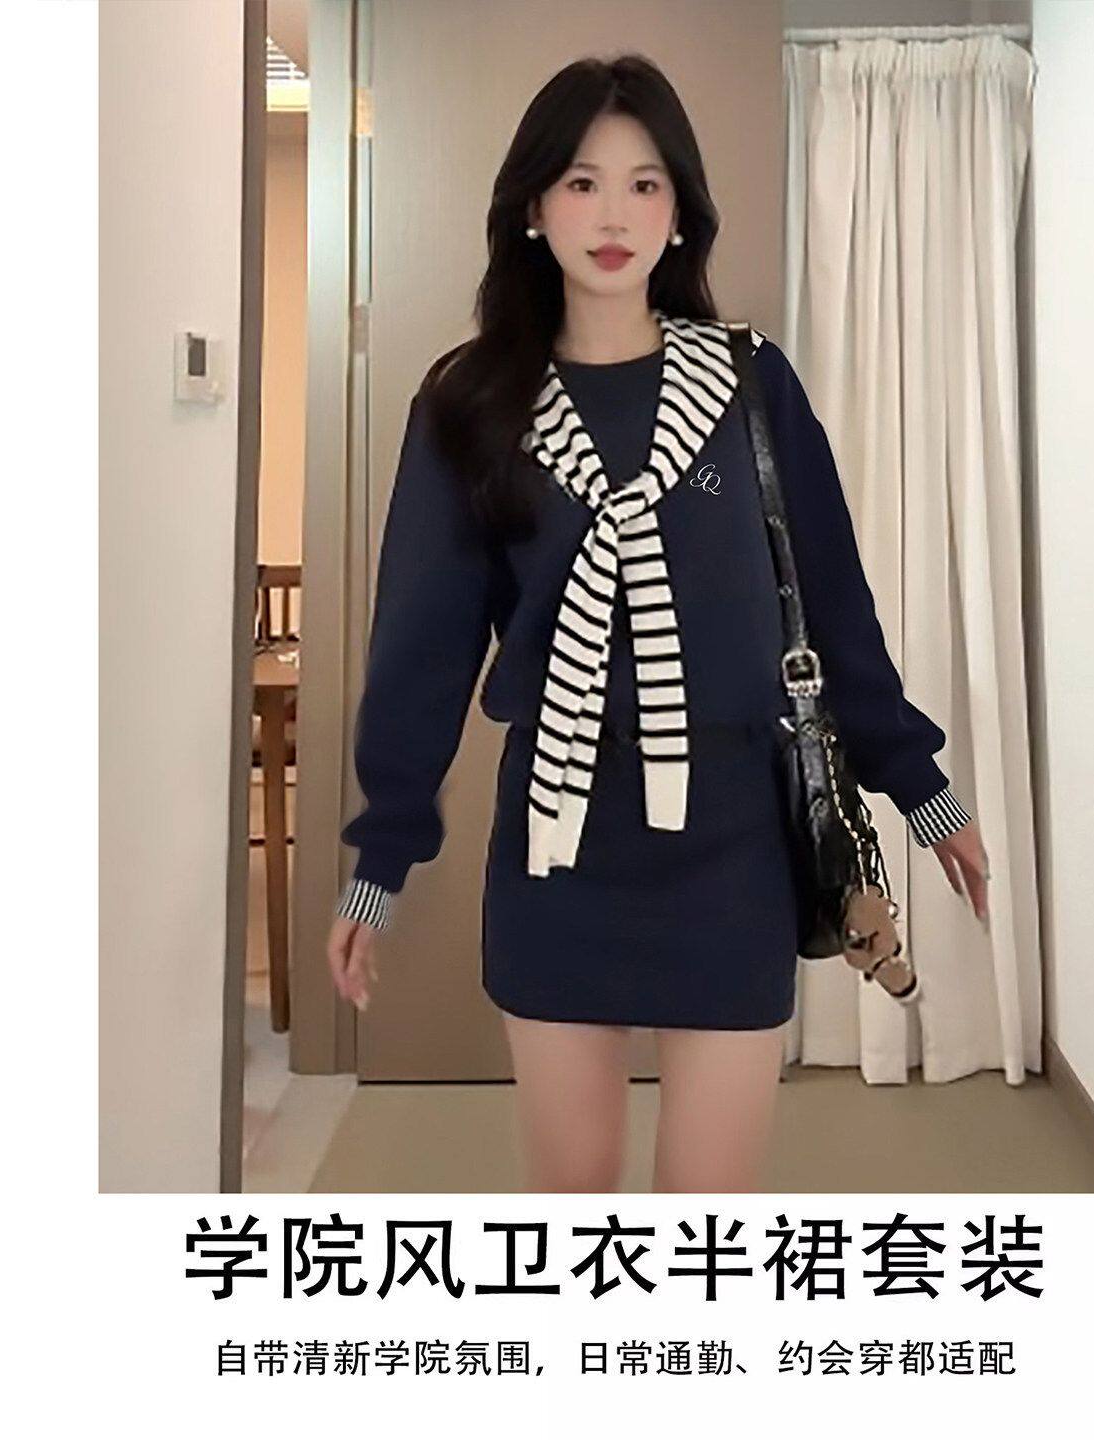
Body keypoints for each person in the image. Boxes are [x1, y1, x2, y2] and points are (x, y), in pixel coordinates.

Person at [326, 54, 990, 1193]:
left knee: (707, 1214)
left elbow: (832, 608)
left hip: (732, 852)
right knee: (576, 1199)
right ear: (533, 207)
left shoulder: (749, 383)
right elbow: (421, 651)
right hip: (558, 855)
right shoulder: (471, 401)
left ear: (680, 211)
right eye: (581, 183)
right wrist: (380, 860)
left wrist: (919, 787)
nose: (613, 216)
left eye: (644, 185)